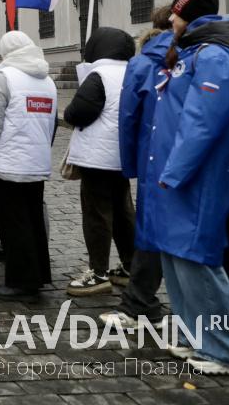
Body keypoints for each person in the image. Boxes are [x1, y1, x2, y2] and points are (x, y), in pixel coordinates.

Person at [149, 0, 229, 374]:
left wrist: (175, 171)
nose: (171, 24)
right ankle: (193, 336)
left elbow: (202, 122)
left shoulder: (212, 56)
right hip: (175, 175)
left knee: (196, 256)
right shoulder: (194, 52)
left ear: (190, 18)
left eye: (176, 17)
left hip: (194, 175)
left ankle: (226, 349)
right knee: (176, 254)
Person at [99, 6, 173, 333]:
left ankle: (141, 301)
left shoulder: (143, 64)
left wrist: (129, 166)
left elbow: (128, 119)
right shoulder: (197, 58)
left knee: (152, 231)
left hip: (154, 160)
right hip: (191, 159)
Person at [0, 31, 57, 302]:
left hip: (10, 163)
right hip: (37, 161)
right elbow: (52, 122)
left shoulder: (3, 77)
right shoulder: (46, 79)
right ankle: (39, 274)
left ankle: (21, 283)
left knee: (14, 223)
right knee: (32, 219)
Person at [62, 27, 136, 297]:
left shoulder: (100, 75)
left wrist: (70, 111)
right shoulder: (131, 71)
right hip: (122, 154)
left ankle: (98, 272)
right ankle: (131, 266)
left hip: (97, 156)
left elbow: (77, 113)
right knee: (124, 212)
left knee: (97, 214)